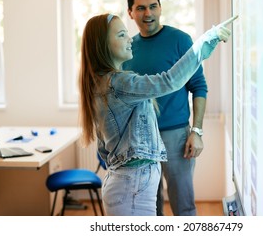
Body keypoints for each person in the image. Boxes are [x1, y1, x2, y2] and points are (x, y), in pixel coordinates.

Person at [78, 13, 233, 216]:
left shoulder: (104, 82)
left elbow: (103, 147)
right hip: (130, 188)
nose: (129, 39)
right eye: (122, 35)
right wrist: (204, 42)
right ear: (102, 45)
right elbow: (168, 81)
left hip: (127, 185)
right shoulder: (118, 83)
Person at [124, 0, 205, 215]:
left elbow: (199, 87)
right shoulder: (127, 49)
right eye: (140, 8)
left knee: (184, 207)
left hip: (176, 137)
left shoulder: (180, 40)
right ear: (130, 12)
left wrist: (196, 131)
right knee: (150, 208)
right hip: (140, 138)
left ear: (160, 8)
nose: (148, 13)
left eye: (153, 6)